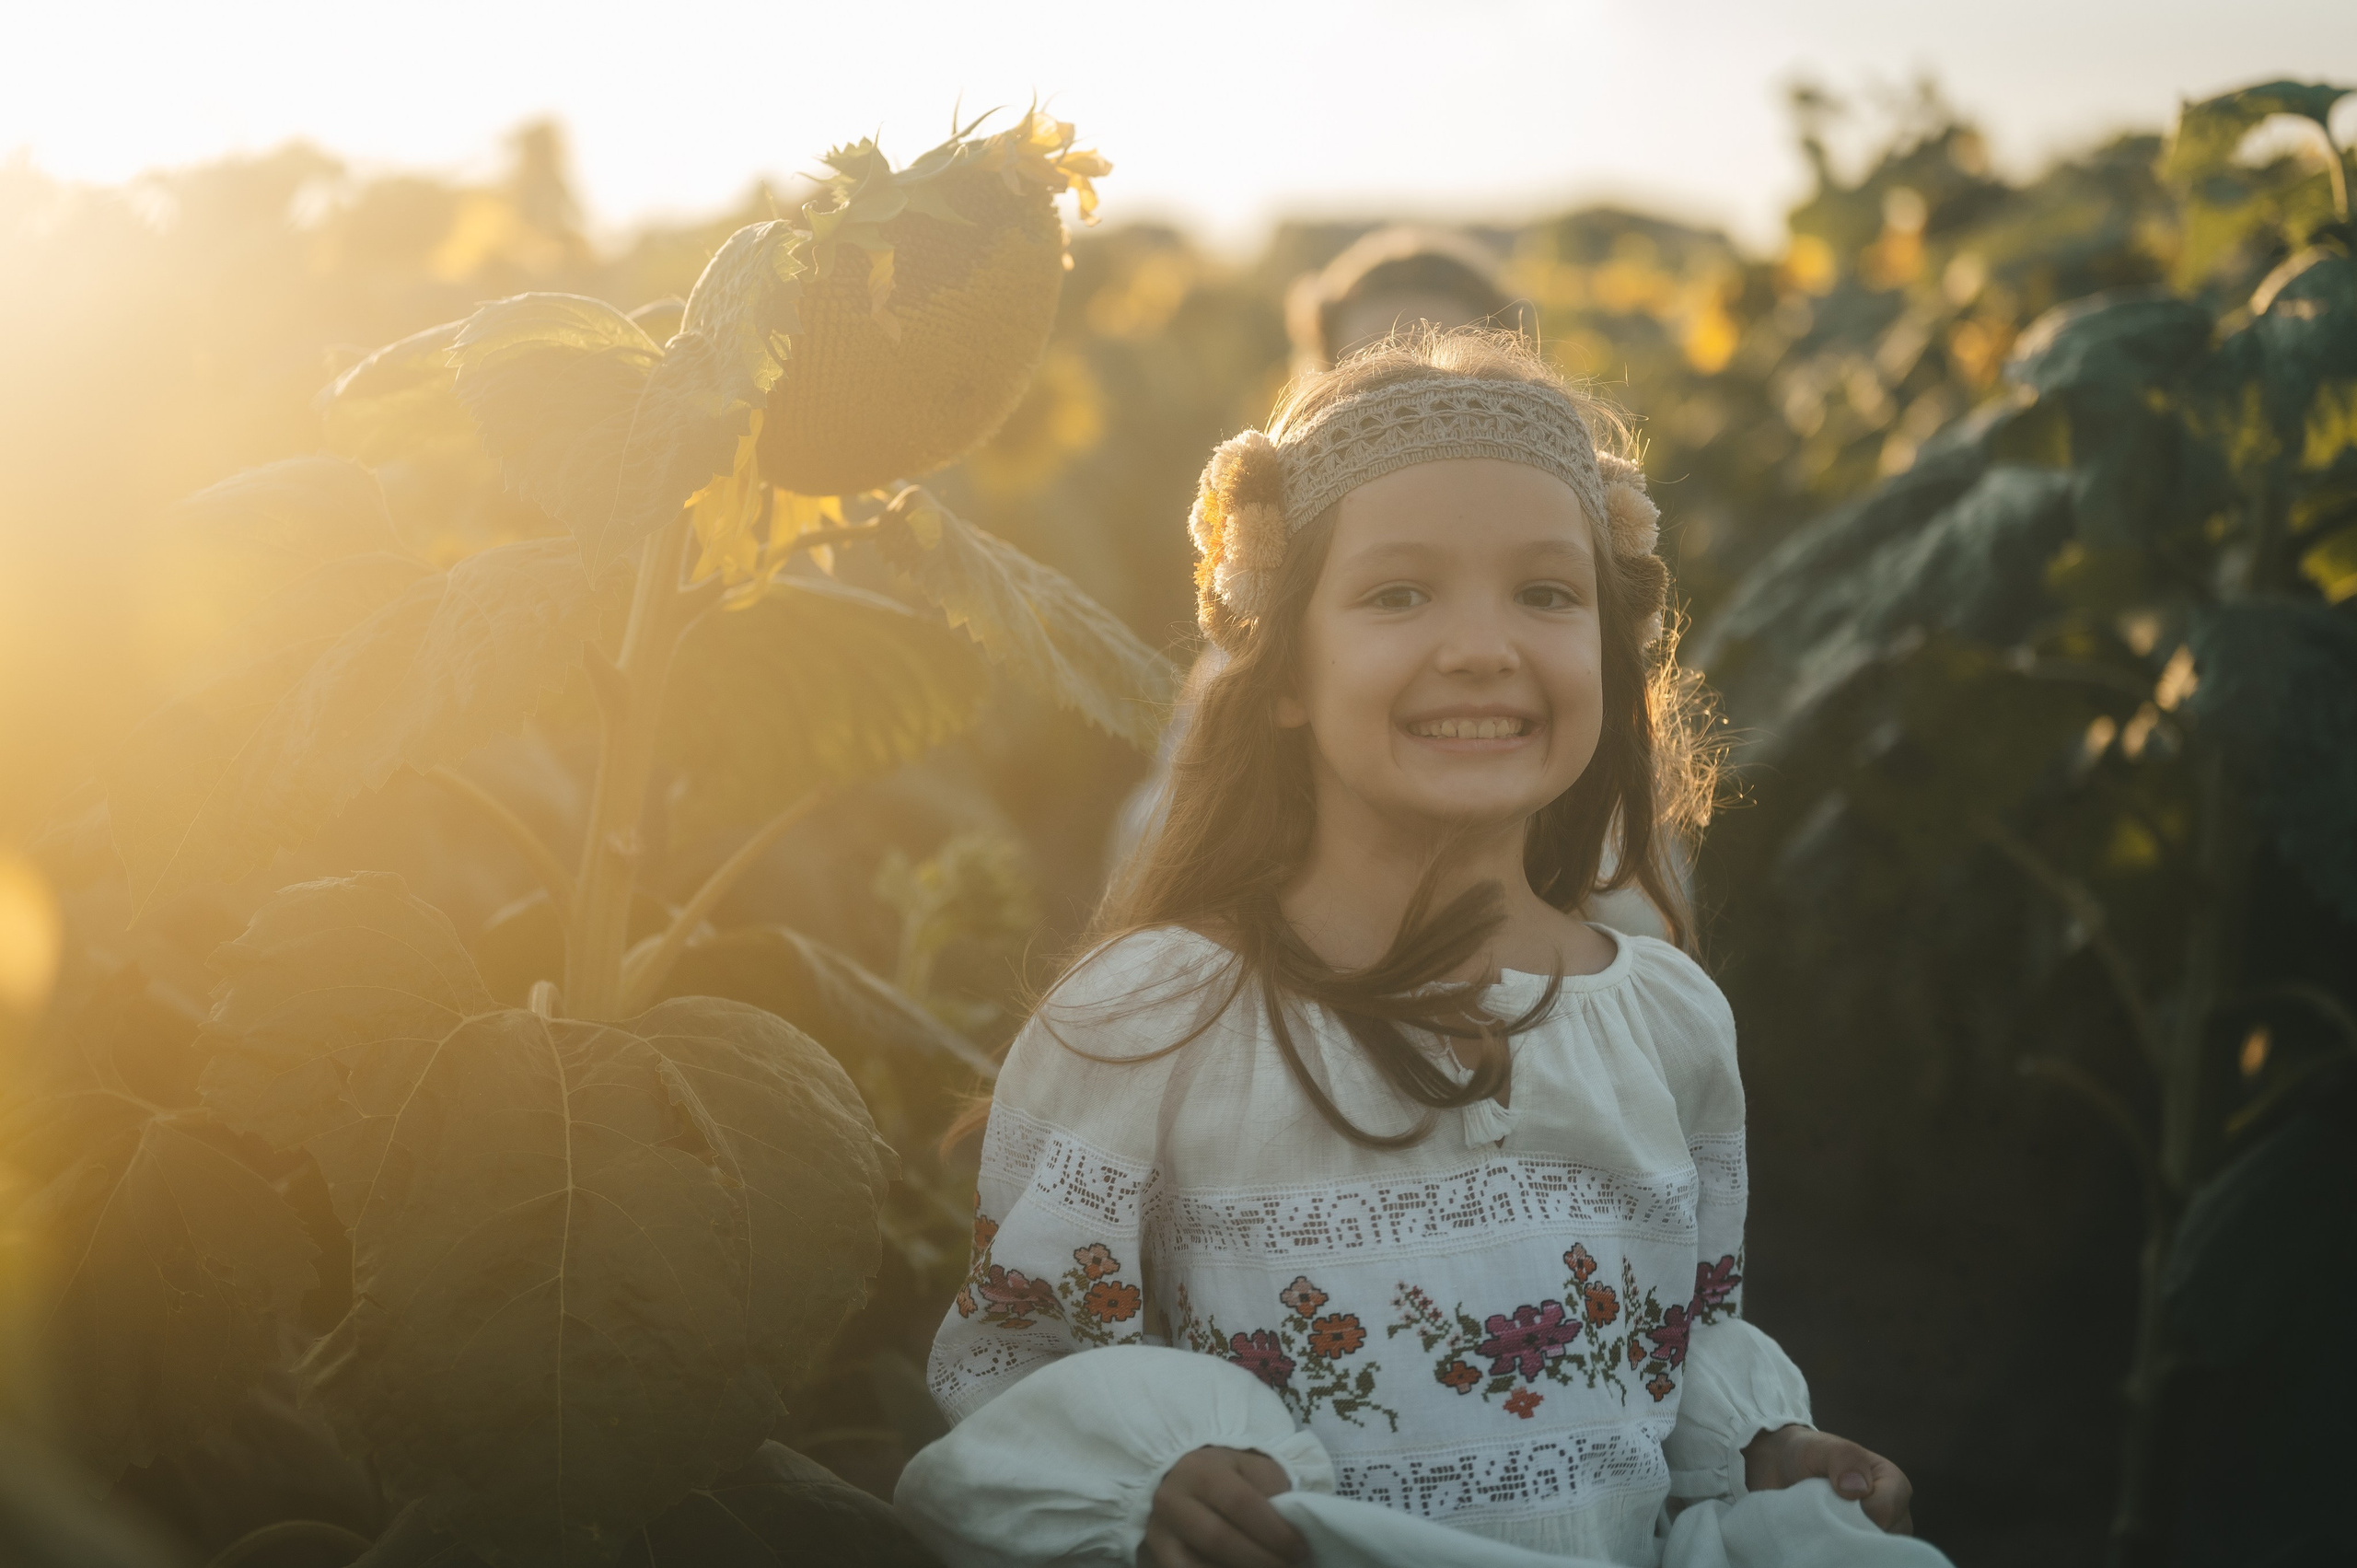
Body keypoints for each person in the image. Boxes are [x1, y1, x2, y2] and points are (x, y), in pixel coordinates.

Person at [899, 329, 1934, 1568]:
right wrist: (1152, 1475)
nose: (1483, 646)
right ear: (1283, 671)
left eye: (1547, 594)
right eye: (1399, 594)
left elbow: (1679, 1353)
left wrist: (1769, 1453)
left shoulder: (1665, 1019)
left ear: (1610, 651)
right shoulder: (1152, 1019)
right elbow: (1017, 1365)